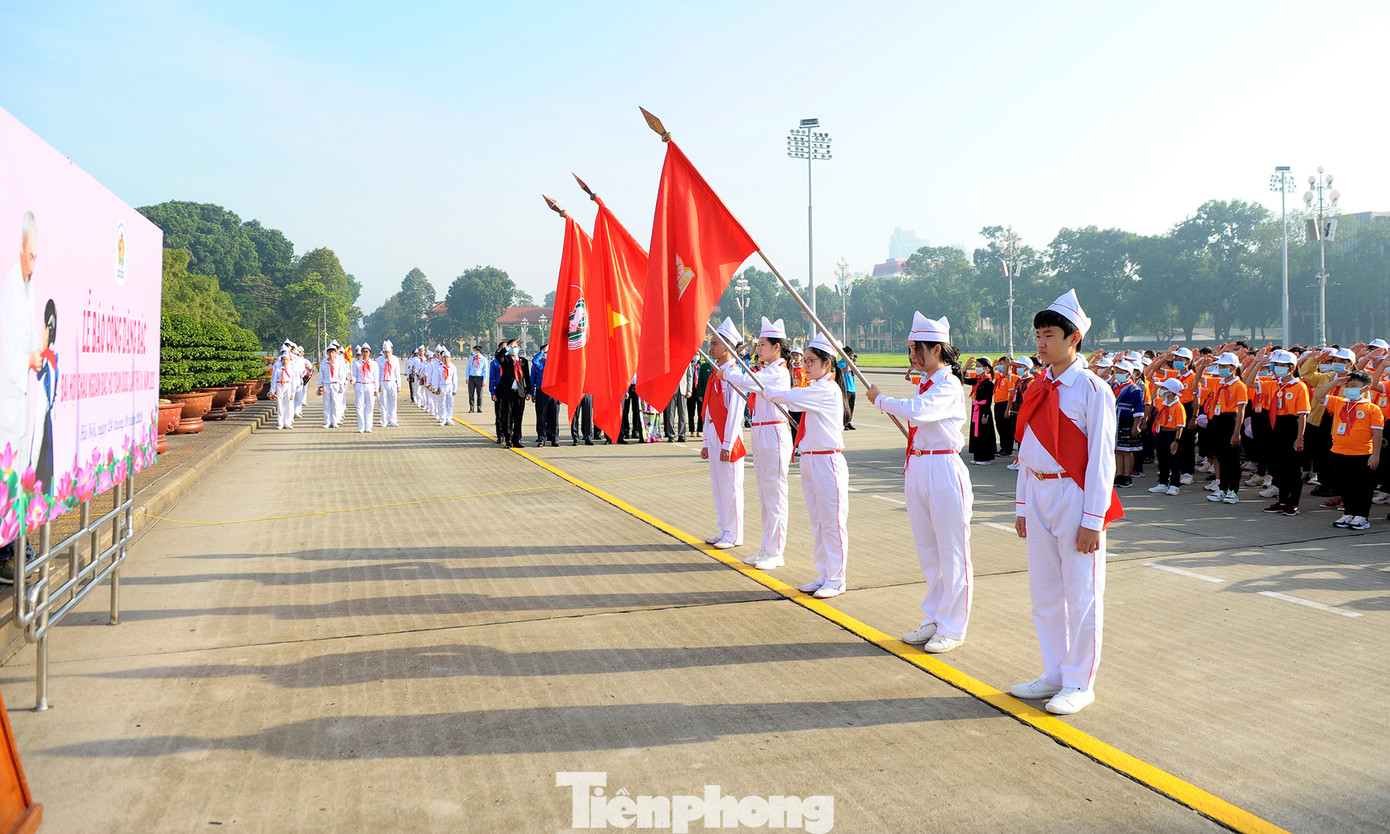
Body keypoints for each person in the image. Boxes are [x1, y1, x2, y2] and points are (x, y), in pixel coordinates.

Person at [1009, 289, 1120, 717]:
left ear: (1073, 339)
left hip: (1074, 496)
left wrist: (1093, 519)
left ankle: (1079, 681)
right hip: (1038, 493)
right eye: (1038, 335)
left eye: (1049, 335)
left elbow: (1101, 460)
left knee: (1082, 592)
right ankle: (1054, 671)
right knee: (1045, 592)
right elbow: (1027, 451)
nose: (1041, 343)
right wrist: (1022, 506)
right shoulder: (1039, 386)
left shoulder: (1093, 389)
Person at [866, 312, 973, 654]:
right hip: (919, 466)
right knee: (929, 552)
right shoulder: (926, 382)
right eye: (911, 348)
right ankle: (935, 617)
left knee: (952, 551)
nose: (913, 355)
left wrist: (881, 401)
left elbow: (920, 411)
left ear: (937, 349)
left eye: (918, 348)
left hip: (943, 467)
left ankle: (953, 626)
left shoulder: (948, 384)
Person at [760, 331, 850, 600]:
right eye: (805, 361)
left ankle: (837, 578)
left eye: (811, 361)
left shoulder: (826, 390)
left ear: (827, 364)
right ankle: (825, 573)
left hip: (827, 460)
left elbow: (790, 397)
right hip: (811, 459)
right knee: (818, 522)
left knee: (832, 523)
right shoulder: (815, 388)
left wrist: (768, 391)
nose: (805, 365)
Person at [723, 317, 794, 571]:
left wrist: (730, 372)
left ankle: (776, 551)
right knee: (765, 495)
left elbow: (750, 381)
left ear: (777, 347)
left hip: (774, 433)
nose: (759, 348)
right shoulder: (767, 369)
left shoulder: (779, 371)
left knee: (774, 495)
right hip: (761, 433)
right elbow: (750, 380)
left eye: (763, 344)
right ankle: (766, 547)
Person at [1314, 369, 1383, 530]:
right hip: (1339, 452)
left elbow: (1377, 434)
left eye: (1354, 385)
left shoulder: (1372, 409)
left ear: (1365, 388)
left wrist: (1375, 455)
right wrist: (1335, 383)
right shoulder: (1340, 402)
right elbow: (1318, 396)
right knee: (1345, 485)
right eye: (1348, 385)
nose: (1349, 388)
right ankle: (1349, 513)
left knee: (1363, 487)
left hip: (1363, 454)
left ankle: (1362, 516)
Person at [700, 318, 747, 550]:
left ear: (728, 347)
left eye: (715, 343)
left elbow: (735, 413)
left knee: (731, 486)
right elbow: (709, 408)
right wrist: (706, 441)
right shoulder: (717, 372)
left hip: (729, 437)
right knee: (718, 485)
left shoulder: (734, 374)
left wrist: (727, 444)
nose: (711, 347)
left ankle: (735, 533)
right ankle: (724, 528)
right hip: (715, 434)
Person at [1192, 352, 1247, 504]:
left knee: (1233, 459)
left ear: (1234, 368)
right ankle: (1222, 488)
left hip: (1230, 420)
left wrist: (1237, 432)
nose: (1221, 369)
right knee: (1221, 457)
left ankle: (1233, 491)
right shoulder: (1219, 383)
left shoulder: (1239, 386)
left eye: (1224, 366)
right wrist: (1202, 367)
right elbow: (1196, 381)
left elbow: (1241, 410)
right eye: (1220, 366)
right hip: (1216, 420)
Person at [30, 299, 58, 493]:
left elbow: (41, 411)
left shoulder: (46, 363)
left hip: (43, 426)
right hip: (47, 426)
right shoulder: (52, 361)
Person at [1147, 378, 1187, 495]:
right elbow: (1154, 398)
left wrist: (1176, 441)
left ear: (1169, 391)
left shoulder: (1178, 406)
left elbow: (1180, 426)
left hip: (1172, 434)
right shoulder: (1163, 403)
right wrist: (1155, 387)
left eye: (1163, 388)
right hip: (1161, 433)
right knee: (1162, 457)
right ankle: (1162, 483)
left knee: (1173, 460)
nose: (1162, 390)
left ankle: (1174, 485)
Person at [1112, 361, 1145, 489]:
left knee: (1127, 450)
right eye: (1117, 372)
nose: (1118, 374)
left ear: (1128, 374)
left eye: (1121, 372)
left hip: (1127, 420)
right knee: (1118, 450)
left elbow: (1138, 408)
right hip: (1116, 419)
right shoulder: (1114, 385)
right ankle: (1119, 474)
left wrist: (1136, 425)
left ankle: (1128, 476)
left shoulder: (1134, 389)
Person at [495, 340, 531, 448]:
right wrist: (507, 347)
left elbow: (527, 378)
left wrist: (529, 392)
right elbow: (498, 356)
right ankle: (508, 440)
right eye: (512, 347)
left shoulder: (523, 361)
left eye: (515, 346)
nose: (513, 348)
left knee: (518, 418)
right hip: (508, 393)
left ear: (519, 348)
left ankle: (517, 439)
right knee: (507, 418)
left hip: (520, 393)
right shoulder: (505, 359)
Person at [967, 357, 997, 464]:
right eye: (977, 366)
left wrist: (985, 415)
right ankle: (977, 456)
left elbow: (988, 401)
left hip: (983, 410)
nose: (977, 369)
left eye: (979, 367)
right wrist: (966, 367)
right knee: (977, 433)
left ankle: (985, 457)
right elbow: (962, 379)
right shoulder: (978, 380)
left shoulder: (988, 382)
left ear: (987, 368)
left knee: (984, 433)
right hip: (976, 409)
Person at [532, 343, 559, 447]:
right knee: (541, 417)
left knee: (554, 417)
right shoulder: (540, 364)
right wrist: (542, 351)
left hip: (553, 392)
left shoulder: (555, 364)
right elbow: (534, 361)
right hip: (542, 392)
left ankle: (554, 438)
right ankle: (541, 438)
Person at [317, 341, 347, 428]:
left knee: (335, 403)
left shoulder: (338, 362)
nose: (331, 354)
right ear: (327, 353)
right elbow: (321, 374)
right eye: (329, 352)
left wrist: (342, 385)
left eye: (333, 352)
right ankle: (327, 421)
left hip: (335, 384)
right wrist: (320, 385)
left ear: (335, 353)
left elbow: (341, 374)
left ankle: (335, 421)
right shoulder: (324, 362)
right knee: (326, 403)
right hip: (326, 384)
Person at [351, 343, 379, 433]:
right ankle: (361, 426)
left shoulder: (374, 364)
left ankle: (368, 425)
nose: (365, 353)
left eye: (366, 352)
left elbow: (376, 378)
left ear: (370, 353)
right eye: (363, 352)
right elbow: (354, 375)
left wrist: (376, 389)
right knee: (359, 407)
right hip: (360, 385)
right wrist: (353, 380)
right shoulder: (357, 364)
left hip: (370, 385)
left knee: (370, 407)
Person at [269, 346, 298, 430]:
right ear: (281, 360)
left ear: (289, 361)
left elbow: (293, 382)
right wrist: (272, 391)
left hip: (288, 387)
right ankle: (280, 422)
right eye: (283, 359)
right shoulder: (278, 370)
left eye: (286, 360)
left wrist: (293, 393)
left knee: (288, 405)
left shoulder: (291, 370)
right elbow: (274, 381)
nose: (285, 361)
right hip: (279, 387)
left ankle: (287, 422)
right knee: (280, 405)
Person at [994, 356, 1018, 458]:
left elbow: (1011, 394)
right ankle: (1003, 448)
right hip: (998, 404)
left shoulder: (1009, 378)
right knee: (999, 426)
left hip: (1005, 404)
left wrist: (1008, 409)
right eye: (999, 364)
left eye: (1002, 364)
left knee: (1005, 428)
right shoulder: (1000, 377)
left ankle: (1007, 449)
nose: (1000, 366)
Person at [377, 340, 402, 427]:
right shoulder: (380, 360)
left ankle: (393, 420)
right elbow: (378, 373)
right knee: (384, 402)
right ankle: (384, 420)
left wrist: (399, 386)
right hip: (383, 382)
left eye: (388, 352)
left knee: (393, 402)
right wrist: (377, 385)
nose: (387, 354)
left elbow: (397, 373)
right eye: (385, 352)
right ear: (383, 352)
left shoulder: (395, 359)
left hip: (392, 382)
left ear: (391, 351)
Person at [436, 347, 458, 425]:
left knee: (450, 403)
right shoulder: (439, 367)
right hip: (442, 386)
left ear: (450, 358)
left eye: (447, 357)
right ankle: (442, 418)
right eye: (444, 357)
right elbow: (436, 378)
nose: (446, 359)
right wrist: (436, 388)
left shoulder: (452, 367)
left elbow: (454, 379)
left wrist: (455, 389)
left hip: (450, 386)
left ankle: (449, 418)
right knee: (441, 403)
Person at [840, 348, 858, 430]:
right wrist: (848, 361)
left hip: (852, 388)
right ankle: (843, 423)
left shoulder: (851, 363)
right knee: (845, 407)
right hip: (845, 388)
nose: (851, 356)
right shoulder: (841, 363)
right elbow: (846, 370)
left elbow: (855, 372)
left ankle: (848, 422)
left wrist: (854, 362)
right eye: (850, 354)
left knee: (851, 407)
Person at [467, 345, 487, 413]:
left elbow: (485, 370)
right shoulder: (471, 358)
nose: (473, 352)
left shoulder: (483, 359)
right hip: (471, 377)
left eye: (474, 351)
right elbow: (468, 368)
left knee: (479, 394)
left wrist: (484, 380)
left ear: (478, 351)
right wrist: (467, 378)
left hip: (479, 378)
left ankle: (479, 407)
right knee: (471, 393)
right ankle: (471, 407)